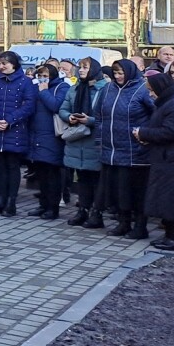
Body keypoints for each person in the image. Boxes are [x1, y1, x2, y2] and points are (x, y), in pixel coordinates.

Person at [135, 73, 174, 251]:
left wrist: (143, 133)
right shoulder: (170, 102)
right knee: (167, 200)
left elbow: (171, 131)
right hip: (169, 159)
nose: (150, 95)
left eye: (151, 91)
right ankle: (171, 236)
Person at [92, 59, 154, 238]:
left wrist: (145, 134)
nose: (118, 77)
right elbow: (99, 115)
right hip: (111, 150)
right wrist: (99, 139)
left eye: (121, 73)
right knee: (119, 191)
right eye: (115, 73)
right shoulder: (107, 89)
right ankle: (123, 222)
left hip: (135, 150)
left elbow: (155, 113)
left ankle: (140, 226)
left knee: (136, 191)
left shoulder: (141, 90)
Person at [0, 51, 37, 217]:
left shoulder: (25, 82)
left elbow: (29, 105)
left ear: (14, 64)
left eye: (4, 63)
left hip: (15, 130)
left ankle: (11, 202)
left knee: (12, 167)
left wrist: (10, 120)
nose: (1, 66)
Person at [59, 58, 108, 228]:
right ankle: (83, 210)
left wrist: (91, 120)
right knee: (82, 178)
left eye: (85, 67)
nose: (81, 70)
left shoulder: (104, 90)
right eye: (80, 67)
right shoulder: (75, 89)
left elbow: (107, 116)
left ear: (93, 69)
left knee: (96, 179)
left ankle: (97, 213)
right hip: (77, 138)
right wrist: (69, 117)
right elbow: (63, 109)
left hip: (95, 140)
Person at [27, 64, 70, 220]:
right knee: (41, 173)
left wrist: (44, 91)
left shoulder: (62, 86)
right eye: (40, 75)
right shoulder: (36, 87)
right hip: (37, 135)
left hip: (52, 136)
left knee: (52, 174)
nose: (42, 78)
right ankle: (43, 205)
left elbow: (56, 106)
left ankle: (53, 208)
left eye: (45, 75)